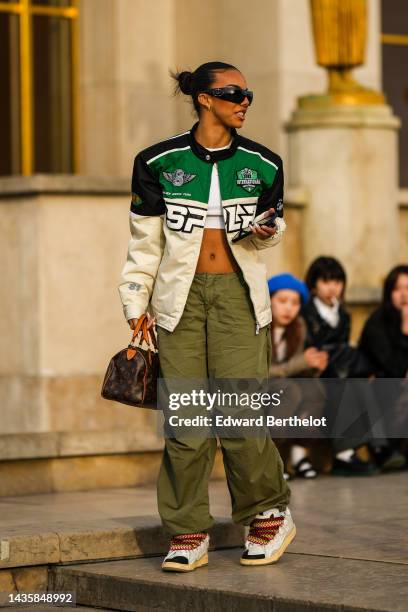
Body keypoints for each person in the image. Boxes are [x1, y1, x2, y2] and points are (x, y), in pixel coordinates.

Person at [118, 61, 295, 572]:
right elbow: (144, 243)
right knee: (188, 422)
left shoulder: (265, 162)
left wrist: (267, 232)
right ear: (203, 98)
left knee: (240, 415)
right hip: (179, 300)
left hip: (239, 297)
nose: (245, 101)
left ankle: (267, 514)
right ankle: (187, 529)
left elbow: (273, 224)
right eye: (234, 92)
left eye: (248, 93)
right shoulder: (156, 161)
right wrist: (136, 302)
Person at [302, 256, 378, 476]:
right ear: (314, 285)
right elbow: (311, 347)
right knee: (344, 387)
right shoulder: (307, 312)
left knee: (360, 383)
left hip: (339, 371)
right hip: (316, 373)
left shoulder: (343, 313)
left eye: (337, 281)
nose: (332, 287)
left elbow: (343, 347)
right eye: (325, 281)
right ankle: (345, 453)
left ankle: (370, 448)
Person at [268, 273, 328, 480]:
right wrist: (301, 362)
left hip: (284, 381)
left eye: (294, 303)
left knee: (315, 388)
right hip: (259, 384)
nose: (288, 308)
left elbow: (295, 368)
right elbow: (262, 371)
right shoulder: (259, 327)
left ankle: (299, 453)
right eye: (282, 301)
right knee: (289, 390)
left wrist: (314, 366)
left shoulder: (299, 327)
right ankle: (274, 461)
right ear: (269, 301)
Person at [359, 264, 408, 470]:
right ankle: (386, 451)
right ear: (389, 293)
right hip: (381, 398)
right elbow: (393, 368)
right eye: (398, 289)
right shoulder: (377, 322)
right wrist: (405, 331)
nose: (404, 295)